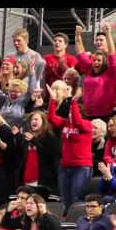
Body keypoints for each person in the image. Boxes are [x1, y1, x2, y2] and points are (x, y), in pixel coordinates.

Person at [0, 26, 39, 128]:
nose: (13, 93)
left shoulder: (23, 102)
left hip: (18, 136)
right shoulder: (4, 100)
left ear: (21, 93)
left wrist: (32, 73)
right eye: (12, 90)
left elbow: (31, 90)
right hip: (3, 135)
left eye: (16, 91)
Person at [47, 84, 93, 215]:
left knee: (75, 200)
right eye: (70, 112)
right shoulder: (65, 123)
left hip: (81, 167)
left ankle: (78, 224)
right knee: (65, 201)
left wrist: (73, 101)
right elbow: (51, 118)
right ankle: (67, 225)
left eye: (73, 112)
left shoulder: (86, 125)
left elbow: (78, 122)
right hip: (65, 166)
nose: (71, 115)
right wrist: (52, 100)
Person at [75, 24, 116, 120]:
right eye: (94, 60)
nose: (95, 62)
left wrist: (108, 34)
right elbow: (80, 53)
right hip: (88, 115)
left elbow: (112, 54)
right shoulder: (89, 69)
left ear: (104, 62)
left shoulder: (111, 72)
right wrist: (78, 36)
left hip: (106, 116)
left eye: (99, 60)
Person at [14, 110, 60, 193]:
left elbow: (51, 153)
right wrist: (17, 137)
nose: (33, 121)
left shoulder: (50, 137)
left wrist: (34, 140)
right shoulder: (26, 137)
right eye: (32, 120)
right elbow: (20, 156)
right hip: (26, 178)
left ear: (43, 122)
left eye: (36, 119)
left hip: (43, 180)